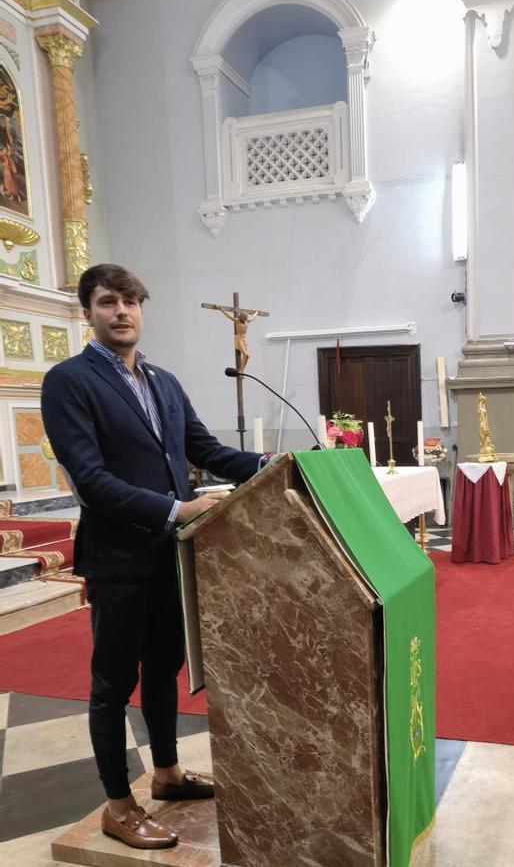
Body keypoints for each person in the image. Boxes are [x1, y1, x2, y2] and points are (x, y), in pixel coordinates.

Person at [41, 264, 268, 850]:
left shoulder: (163, 381)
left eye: (131, 302)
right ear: (87, 312)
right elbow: (89, 481)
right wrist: (177, 509)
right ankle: (118, 805)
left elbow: (206, 449)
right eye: (108, 302)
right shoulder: (69, 381)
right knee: (112, 684)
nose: (122, 312)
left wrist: (275, 465)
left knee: (164, 668)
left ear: (143, 310)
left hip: (169, 553)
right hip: (118, 556)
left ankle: (165, 774)